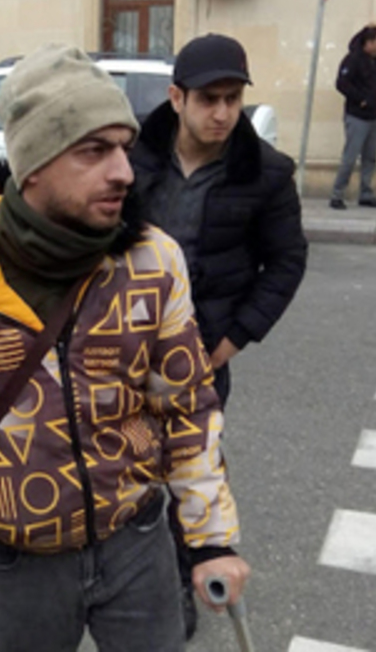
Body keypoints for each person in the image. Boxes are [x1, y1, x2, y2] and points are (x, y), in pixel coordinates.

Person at [0, 45, 248, 652]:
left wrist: (211, 541)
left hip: (136, 541)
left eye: (123, 146)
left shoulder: (152, 260)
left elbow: (187, 409)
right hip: (18, 561)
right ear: (33, 164)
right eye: (94, 151)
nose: (123, 170)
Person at [129, 32, 307, 638]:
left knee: (190, 474)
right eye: (209, 99)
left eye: (233, 98)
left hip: (202, 355)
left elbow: (285, 263)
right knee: (124, 471)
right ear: (177, 98)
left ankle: (183, 582)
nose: (223, 113)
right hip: (120, 350)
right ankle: (122, 585)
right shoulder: (130, 156)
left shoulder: (267, 174)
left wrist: (230, 342)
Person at [330, 23, 376, 210]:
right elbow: (341, 83)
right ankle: (337, 194)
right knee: (350, 156)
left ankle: (366, 193)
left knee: (370, 157)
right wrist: (360, 99)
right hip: (357, 116)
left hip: (374, 116)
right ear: (368, 43)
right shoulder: (353, 59)